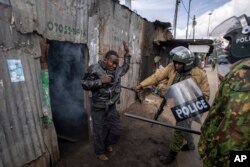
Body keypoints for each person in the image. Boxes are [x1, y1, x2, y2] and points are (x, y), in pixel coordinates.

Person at [134, 46, 210, 164]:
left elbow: (206, 95)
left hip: (188, 105)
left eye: (180, 64)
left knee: (179, 130)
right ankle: (190, 145)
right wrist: (141, 85)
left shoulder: (200, 74)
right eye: (175, 63)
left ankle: (172, 154)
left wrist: (192, 101)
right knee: (185, 127)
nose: (176, 66)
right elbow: (157, 76)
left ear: (188, 64)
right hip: (176, 101)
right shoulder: (172, 67)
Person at [198, 14, 250, 166]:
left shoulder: (245, 74)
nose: (227, 48)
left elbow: (235, 135)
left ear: (244, 41)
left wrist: (216, 161)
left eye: (230, 42)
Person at [82, 42, 131, 161]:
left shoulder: (117, 70)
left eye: (116, 63)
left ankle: (108, 143)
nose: (114, 66)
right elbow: (84, 84)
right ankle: (99, 152)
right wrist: (100, 81)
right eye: (111, 62)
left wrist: (128, 54)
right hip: (98, 107)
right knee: (98, 132)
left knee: (116, 130)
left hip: (111, 106)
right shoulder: (94, 68)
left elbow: (125, 67)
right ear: (105, 59)